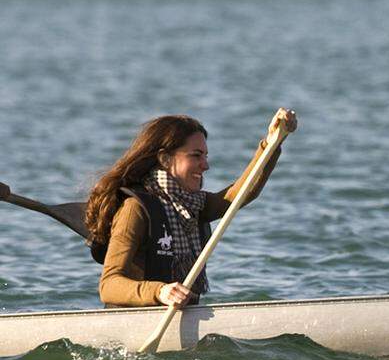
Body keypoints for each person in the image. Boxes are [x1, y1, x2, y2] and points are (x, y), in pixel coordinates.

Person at [84, 110, 298, 307]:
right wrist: (160, 292)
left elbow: (240, 194)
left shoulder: (195, 206)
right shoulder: (135, 209)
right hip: (132, 323)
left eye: (205, 156)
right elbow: (109, 285)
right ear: (165, 159)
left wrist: (273, 142)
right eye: (196, 155)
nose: (205, 165)